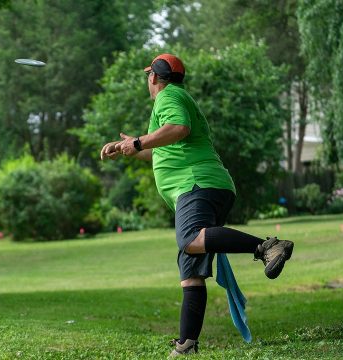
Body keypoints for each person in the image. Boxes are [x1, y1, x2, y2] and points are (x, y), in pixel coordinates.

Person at [99, 54, 294, 357]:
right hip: (201, 186)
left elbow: (179, 129)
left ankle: (268, 247)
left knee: (190, 240)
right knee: (190, 267)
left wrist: (138, 141)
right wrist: (128, 148)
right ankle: (187, 343)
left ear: (153, 77)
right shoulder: (176, 97)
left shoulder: (167, 98)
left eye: (148, 75)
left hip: (196, 184)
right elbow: (165, 150)